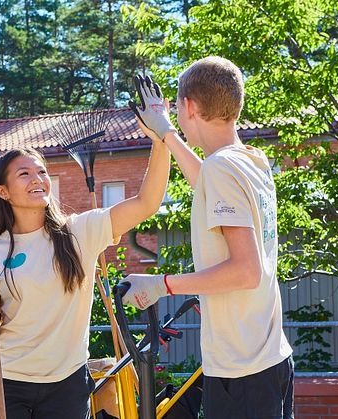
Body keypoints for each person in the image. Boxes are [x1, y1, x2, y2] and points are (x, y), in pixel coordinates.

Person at [122, 57, 294, 418]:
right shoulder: (251, 160)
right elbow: (209, 186)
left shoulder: (221, 167)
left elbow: (248, 272)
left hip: (241, 371)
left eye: (179, 113)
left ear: (189, 106)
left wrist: (162, 284)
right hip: (268, 361)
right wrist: (167, 133)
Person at [0, 141, 169, 419]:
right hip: (5, 382)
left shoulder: (79, 232)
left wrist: (161, 139)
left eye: (42, 172)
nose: (37, 179)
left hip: (66, 385)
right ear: (3, 192)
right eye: (24, 174)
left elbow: (147, 203)